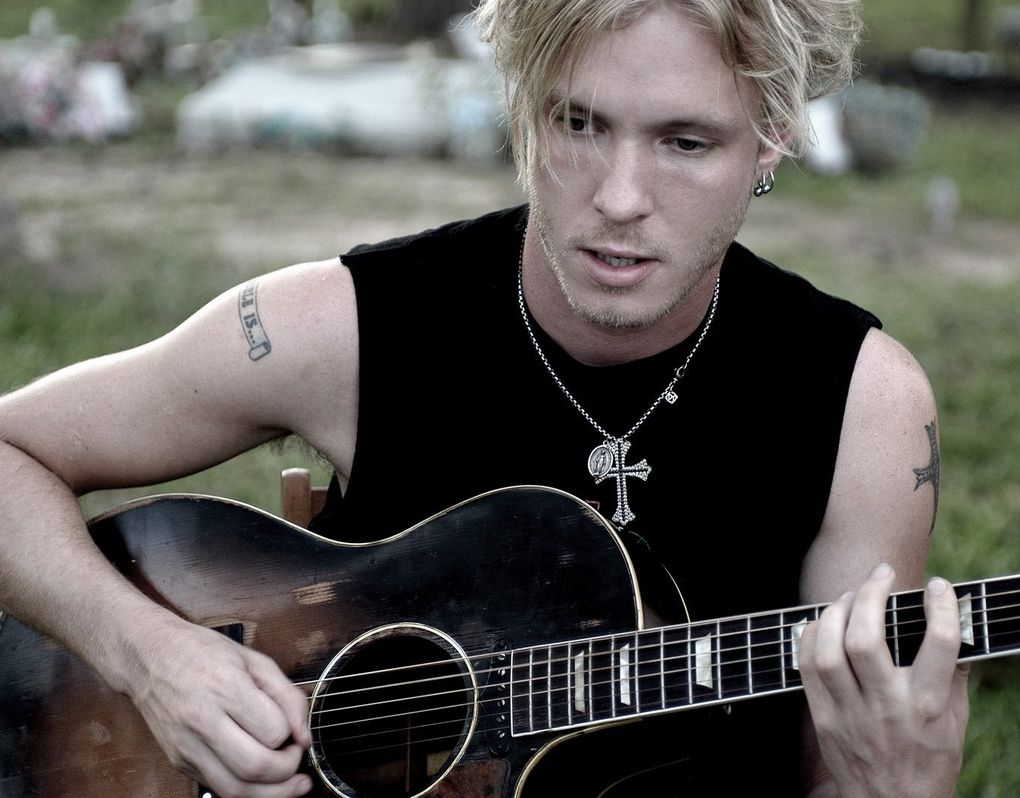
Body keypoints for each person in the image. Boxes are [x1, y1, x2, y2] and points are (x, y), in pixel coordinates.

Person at [0, 0, 969, 796]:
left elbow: (835, 776)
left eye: (684, 141)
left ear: (773, 139)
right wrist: (151, 658)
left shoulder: (861, 405)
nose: (619, 197)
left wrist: (899, 787)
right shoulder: (351, 327)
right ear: (522, 107)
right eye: (578, 123)